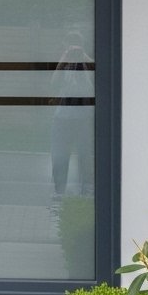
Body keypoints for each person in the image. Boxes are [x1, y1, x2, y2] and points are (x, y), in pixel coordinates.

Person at [50, 31, 94, 202]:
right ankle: (58, 190)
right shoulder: (64, 63)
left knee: (85, 155)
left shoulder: (87, 62)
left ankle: (87, 190)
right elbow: (53, 84)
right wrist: (63, 59)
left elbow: (97, 75)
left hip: (84, 116)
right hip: (63, 116)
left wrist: (83, 56)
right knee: (60, 154)